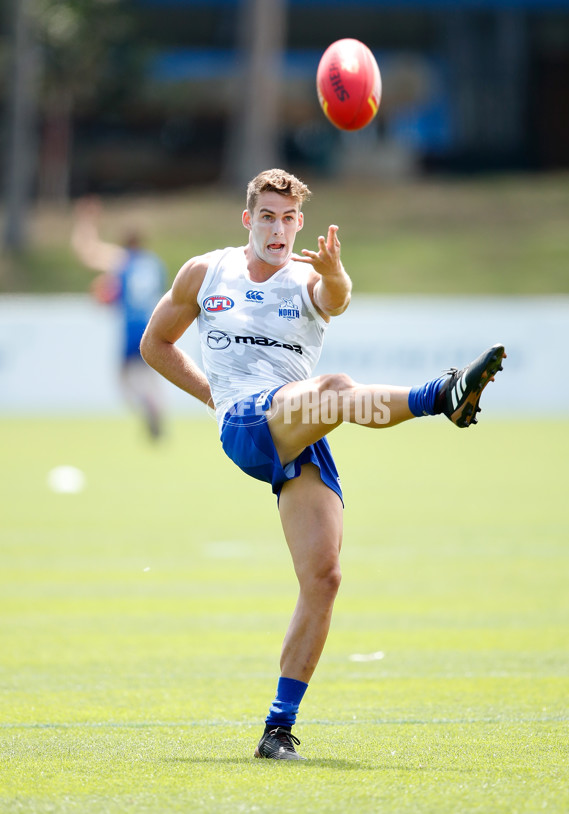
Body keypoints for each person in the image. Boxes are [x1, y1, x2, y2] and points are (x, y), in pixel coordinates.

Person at [140, 168, 506, 760]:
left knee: (324, 577)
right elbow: (155, 344)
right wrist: (214, 396)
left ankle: (277, 730)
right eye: (267, 216)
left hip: (296, 425)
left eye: (288, 219)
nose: (277, 229)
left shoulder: (310, 277)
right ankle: (441, 396)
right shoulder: (206, 272)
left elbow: (332, 299)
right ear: (247, 219)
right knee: (335, 385)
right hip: (249, 424)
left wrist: (335, 275)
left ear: (300, 224)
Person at [71, 198, 167, 439]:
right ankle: (157, 409)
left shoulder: (122, 260)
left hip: (131, 326)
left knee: (123, 378)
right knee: (149, 373)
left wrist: (86, 220)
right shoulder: (155, 264)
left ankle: (146, 405)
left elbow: (86, 251)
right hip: (152, 325)